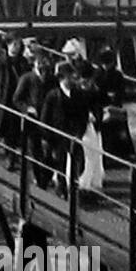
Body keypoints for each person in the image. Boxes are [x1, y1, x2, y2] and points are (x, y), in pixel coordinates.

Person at [41, 63, 92, 198]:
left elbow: (84, 114)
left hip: (74, 133)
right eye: (68, 77)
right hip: (58, 133)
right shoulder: (53, 95)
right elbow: (45, 117)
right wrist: (46, 136)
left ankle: (74, 184)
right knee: (60, 161)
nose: (72, 80)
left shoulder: (79, 94)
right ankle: (61, 186)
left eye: (72, 77)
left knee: (78, 162)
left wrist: (80, 132)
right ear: (62, 79)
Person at [12, 51, 56, 183]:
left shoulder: (52, 80)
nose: (44, 74)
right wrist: (27, 108)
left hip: (48, 120)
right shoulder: (27, 78)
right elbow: (16, 99)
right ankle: (38, 177)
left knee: (49, 152)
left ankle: (46, 176)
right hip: (33, 120)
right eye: (42, 70)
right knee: (35, 150)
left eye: (46, 71)